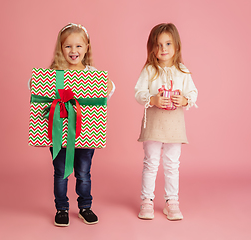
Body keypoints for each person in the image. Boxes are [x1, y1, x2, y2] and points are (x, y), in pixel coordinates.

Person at [30, 23, 115, 226]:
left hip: (85, 133)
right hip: (59, 133)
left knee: (84, 173)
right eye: (68, 46)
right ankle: (62, 209)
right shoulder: (55, 73)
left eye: (78, 46)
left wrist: (104, 85)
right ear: (60, 48)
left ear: (87, 48)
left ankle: (85, 207)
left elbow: (106, 95)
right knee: (60, 172)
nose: (73, 51)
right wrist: (41, 85)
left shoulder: (92, 72)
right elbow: (34, 89)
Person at [134, 23, 198, 221]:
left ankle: (172, 202)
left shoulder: (182, 71)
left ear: (176, 46)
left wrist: (185, 100)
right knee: (151, 163)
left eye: (168, 44)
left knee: (172, 164)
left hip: (174, 127)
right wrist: (151, 99)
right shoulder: (149, 70)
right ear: (152, 48)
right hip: (153, 125)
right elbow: (138, 92)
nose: (163, 49)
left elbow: (193, 93)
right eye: (158, 44)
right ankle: (147, 200)